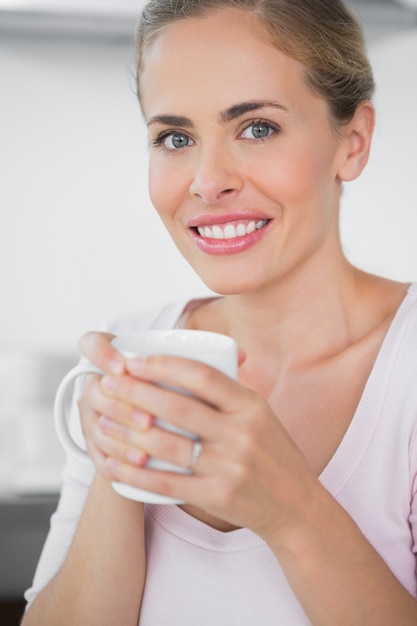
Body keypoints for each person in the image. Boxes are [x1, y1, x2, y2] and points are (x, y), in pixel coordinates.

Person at [22, 0, 417, 624]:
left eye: (257, 127)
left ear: (353, 141)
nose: (208, 180)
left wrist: (289, 510)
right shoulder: (133, 345)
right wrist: (119, 473)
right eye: (175, 138)